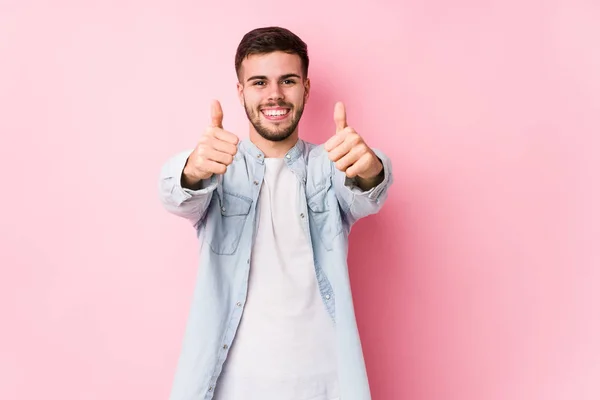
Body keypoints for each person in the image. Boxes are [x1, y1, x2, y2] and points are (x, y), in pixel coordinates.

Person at [158, 26, 393, 400]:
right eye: (259, 82)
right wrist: (191, 169)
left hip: (325, 384)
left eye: (287, 80)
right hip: (234, 387)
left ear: (306, 88)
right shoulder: (219, 167)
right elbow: (176, 194)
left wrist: (371, 168)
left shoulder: (328, 165)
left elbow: (370, 192)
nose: (274, 95)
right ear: (240, 91)